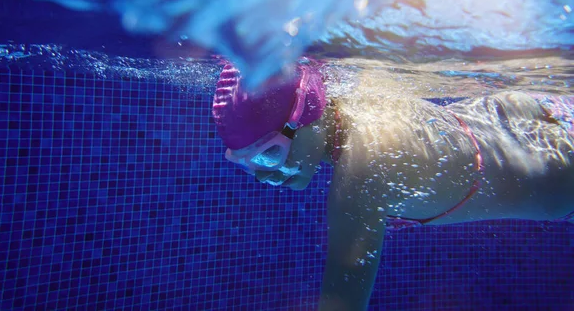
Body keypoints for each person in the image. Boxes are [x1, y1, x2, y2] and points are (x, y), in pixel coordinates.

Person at [211, 59, 574, 311]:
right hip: (527, 110)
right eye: (244, 163)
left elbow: (342, 303)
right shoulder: (361, 100)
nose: (262, 175)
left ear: (306, 113)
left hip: (560, 171)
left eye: (268, 155)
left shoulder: (361, 177)